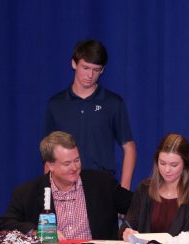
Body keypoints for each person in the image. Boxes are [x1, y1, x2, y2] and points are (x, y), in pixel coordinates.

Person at [0, 131, 132, 240]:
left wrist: (130, 229)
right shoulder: (27, 192)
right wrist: (36, 232)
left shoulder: (103, 183)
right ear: (50, 166)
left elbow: (137, 206)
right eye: (67, 164)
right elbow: (5, 223)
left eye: (77, 160)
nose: (75, 167)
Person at [45, 39, 136, 190]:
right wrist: (48, 195)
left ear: (103, 70)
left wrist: (124, 191)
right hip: (64, 187)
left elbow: (129, 147)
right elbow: (49, 154)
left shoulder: (113, 103)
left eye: (96, 70)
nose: (90, 75)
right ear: (74, 64)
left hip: (102, 186)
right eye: (85, 68)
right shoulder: (56, 104)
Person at [121, 134, 189, 241]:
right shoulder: (144, 189)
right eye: (162, 163)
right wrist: (127, 232)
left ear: (185, 165)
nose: (167, 170)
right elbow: (127, 225)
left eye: (174, 165)